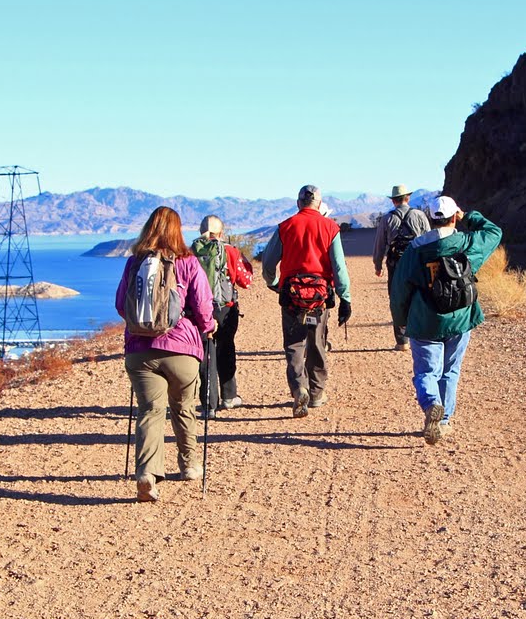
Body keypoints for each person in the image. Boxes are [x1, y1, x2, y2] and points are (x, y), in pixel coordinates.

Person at [115, 206, 216, 501]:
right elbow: (203, 305)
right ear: (178, 230)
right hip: (182, 350)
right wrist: (208, 328)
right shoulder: (187, 262)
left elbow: (122, 305)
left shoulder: (134, 262)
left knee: (150, 410)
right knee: (183, 406)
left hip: (140, 350)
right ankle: (190, 465)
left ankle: (147, 472)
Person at [388, 194, 502, 445]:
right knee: (450, 371)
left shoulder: (415, 250)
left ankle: (431, 405)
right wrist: (468, 217)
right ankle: (443, 422)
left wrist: (401, 320)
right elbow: (494, 232)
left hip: (425, 320)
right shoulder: (468, 243)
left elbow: (400, 290)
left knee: (426, 372)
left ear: (429, 219)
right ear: (454, 217)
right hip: (460, 318)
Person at [261, 184, 353, 417]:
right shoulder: (330, 227)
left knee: (294, 345)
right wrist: (346, 298)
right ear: (319, 204)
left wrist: (275, 284)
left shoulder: (285, 227)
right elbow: (339, 267)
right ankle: (316, 393)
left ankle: (298, 388)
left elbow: (268, 263)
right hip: (319, 299)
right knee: (317, 343)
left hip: (292, 297)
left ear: (298, 203)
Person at [191, 215, 253, 415]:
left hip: (198, 310)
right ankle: (229, 397)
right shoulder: (231, 251)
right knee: (225, 349)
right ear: (221, 232)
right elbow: (246, 280)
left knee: (204, 354)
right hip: (225, 308)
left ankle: (208, 404)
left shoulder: (190, 252)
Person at [372, 184, 431, 349]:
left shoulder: (387, 219)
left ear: (393, 201)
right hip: (417, 264)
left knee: (397, 299)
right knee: (419, 296)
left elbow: (380, 245)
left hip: (395, 264)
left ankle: (402, 341)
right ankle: (420, 336)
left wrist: (378, 265)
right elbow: (428, 240)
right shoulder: (419, 215)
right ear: (408, 198)